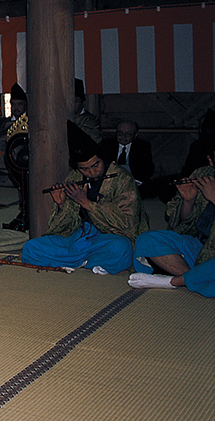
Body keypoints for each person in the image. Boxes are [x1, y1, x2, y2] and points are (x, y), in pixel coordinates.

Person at [22, 120, 148, 273]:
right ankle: (86, 261)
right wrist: (62, 204)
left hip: (107, 238)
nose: (92, 173)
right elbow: (65, 228)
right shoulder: (75, 177)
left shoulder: (122, 178)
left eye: (96, 165)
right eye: (84, 169)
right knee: (30, 248)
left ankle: (75, 260)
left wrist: (87, 203)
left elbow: (129, 224)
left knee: (122, 249)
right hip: (79, 238)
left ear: (103, 159)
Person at [128, 144, 215, 297]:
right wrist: (188, 201)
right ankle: (193, 278)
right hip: (198, 247)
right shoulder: (203, 175)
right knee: (147, 240)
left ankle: (172, 282)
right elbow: (186, 226)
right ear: (211, 160)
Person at [100, 120, 155, 194]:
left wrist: (137, 181)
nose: (123, 136)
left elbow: (148, 168)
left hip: (133, 179)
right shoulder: (107, 144)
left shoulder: (143, 146)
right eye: (120, 133)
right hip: (111, 179)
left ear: (135, 135)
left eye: (128, 134)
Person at [73, 78, 102, 143]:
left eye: (75, 101)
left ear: (83, 103)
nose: (72, 104)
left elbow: (94, 139)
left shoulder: (90, 121)